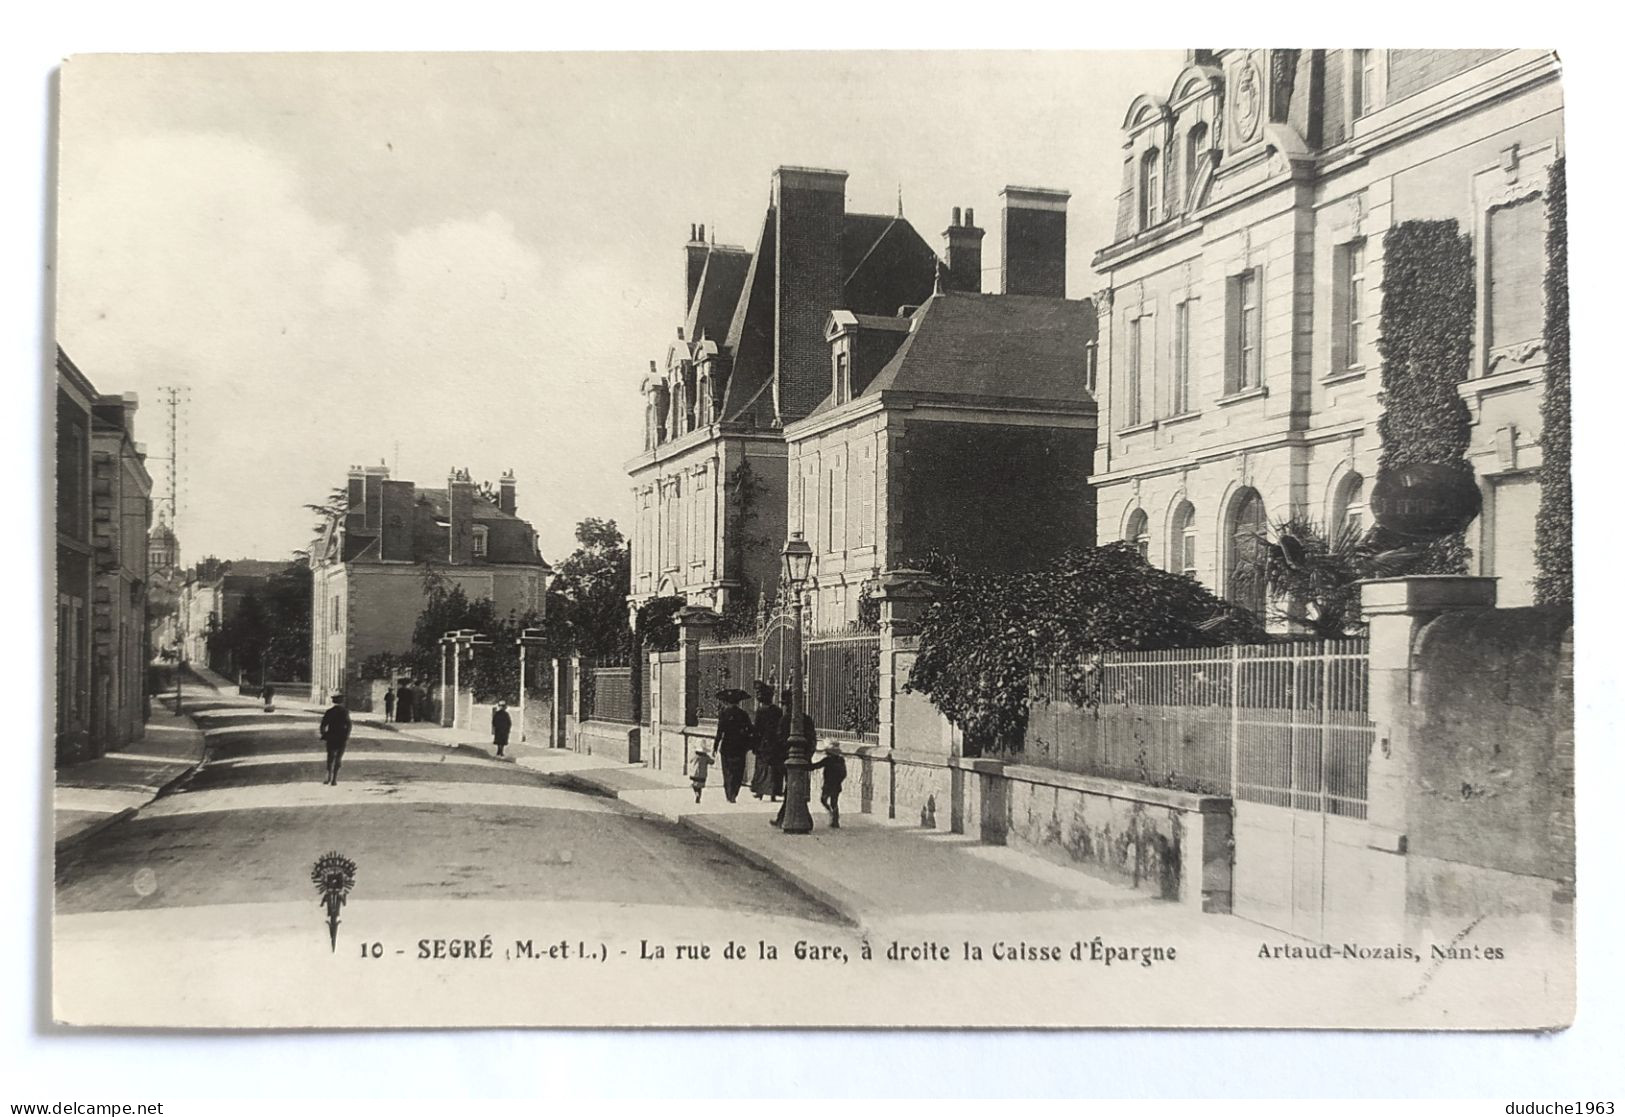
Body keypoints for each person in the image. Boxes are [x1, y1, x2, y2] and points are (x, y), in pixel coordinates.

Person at [771, 694, 816, 828]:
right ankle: (786, 817)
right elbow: (812, 740)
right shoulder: (806, 719)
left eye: (785, 704)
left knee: (792, 788)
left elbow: (779, 741)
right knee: (796, 788)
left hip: (789, 760)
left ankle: (802, 819)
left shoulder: (785, 720)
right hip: (803, 759)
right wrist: (808, 756)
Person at [713, 689, 753, 803]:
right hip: (740, 746)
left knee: (727, 771)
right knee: (738, 771)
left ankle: (729, 794)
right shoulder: (743, 714)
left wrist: (715, 746)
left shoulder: (723, 713)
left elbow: (720, 732)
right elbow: (750, 729)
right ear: (739, 702)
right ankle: (734, 792)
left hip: (726, 746)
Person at [747, 680, 782, 800]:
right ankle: (773, 792)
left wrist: (754, 743)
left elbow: (757, 729)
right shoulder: (778, 711)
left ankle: (760, 791)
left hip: (763, 743)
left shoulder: (761, 711)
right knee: (773, 768)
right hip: (775, 743)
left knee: (762, 767)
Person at [810, 740, 848, 828]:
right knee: (834, 802)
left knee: (823, 799)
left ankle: (832, 815)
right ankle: (835, 820)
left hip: (828, 784)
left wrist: (807, 766)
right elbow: (844, 773)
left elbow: (816, 766)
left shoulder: (828, 760)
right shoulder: (841, 760)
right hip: (837, 784)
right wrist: (839, 781)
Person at [319, 692, 352, 786]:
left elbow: (323, 725)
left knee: (330, 757)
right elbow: (349, 724)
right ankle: (334, 779)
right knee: (338, 758)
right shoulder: (345, 711)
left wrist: (324, 734)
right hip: (341, 737)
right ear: (342, 701)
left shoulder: (329, 711)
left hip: (331, 736)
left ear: (333, 701)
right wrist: (347, 735)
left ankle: (328, 776)